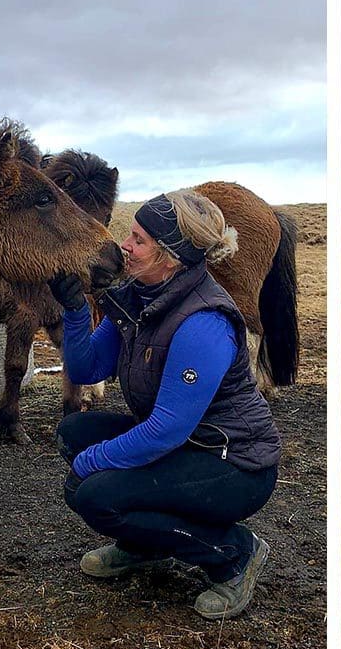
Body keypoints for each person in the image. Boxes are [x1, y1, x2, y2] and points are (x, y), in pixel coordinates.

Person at [50, 188, 281, 620]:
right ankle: (144, 544)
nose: (125, 246)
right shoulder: (140, 297)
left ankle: (234, 554)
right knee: (72, 435)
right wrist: (75, 309)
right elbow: (85, 368)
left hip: (231, 463)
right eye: (130, 234)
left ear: (170, 257)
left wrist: (93, 461)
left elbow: (167, 429)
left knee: (94, 495)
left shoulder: (202, 323)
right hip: (183, 443)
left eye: (138, 239)